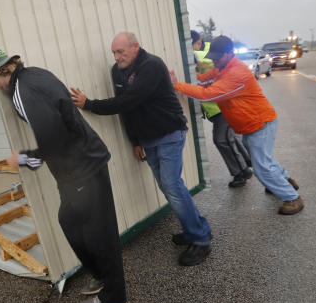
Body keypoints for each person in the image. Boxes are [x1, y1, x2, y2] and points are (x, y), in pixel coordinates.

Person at [0, 48, 127, 303]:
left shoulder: (22, 93)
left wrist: (23, 158)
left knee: (98, 234)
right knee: (71, 222)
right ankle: (101, 274)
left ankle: (114, 297)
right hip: (80, 164)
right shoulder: (34, 75)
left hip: (80, 168)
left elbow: (52, 139)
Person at [70, 31, 213, 267]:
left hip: (169, 133)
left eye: (120, 52)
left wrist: (90, 105)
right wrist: (135, 141)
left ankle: (199, 240)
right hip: (147, 138)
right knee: (169, 186)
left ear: (135, 47)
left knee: (171, 185)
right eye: (114, 53)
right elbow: (128, 111)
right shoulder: (117, 72)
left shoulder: (152, 65)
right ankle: (198, 228)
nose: (116, 57)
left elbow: (129, 100)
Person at [170, 35, 304, 215]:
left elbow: (208, 94)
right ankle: (285, 181)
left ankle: (291, 198)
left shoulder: (236, 73)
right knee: (265, 159)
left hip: (260, 123)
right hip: (252, 125)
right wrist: (191, 71)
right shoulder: (222, 67)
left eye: (218, 56)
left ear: (229, 53)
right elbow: (202, 79)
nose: (214, 59)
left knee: (261, 166)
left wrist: (177, 86)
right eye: (213, 56)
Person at [190, 29, 254, 187]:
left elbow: (212, 63)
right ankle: (248, 164)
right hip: (215, 108)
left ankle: (242, 171)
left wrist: (193, 60)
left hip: (223, 107)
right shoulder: (198, 54)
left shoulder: (205, 53)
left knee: (221, 140)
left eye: (192, 45)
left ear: (197, 43)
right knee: (231, 139)